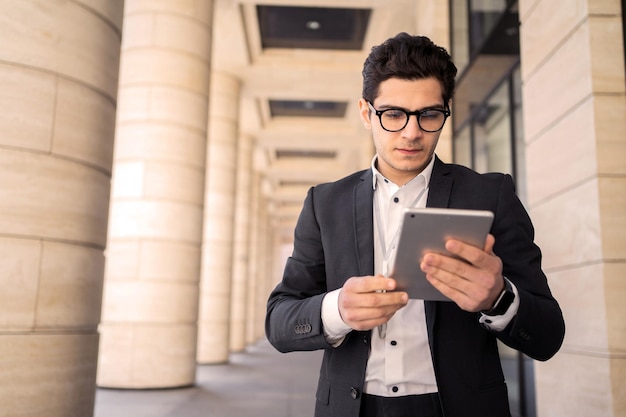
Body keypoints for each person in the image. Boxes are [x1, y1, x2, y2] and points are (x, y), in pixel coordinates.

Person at [265, 33, 565, 417]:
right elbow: (279, 321)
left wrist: (498, 298)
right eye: (393, 114)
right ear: (365, 112)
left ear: (446, 111)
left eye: (429, 114)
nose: (411, 132)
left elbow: (548, 336)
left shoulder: (491, 194)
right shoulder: (325, 203)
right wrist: (337, 310)